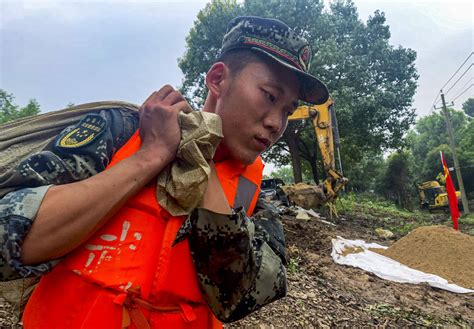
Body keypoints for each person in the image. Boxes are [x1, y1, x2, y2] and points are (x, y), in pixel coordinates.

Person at [0, 16, 328, 328]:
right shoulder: (122, 131)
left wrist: (201, 157)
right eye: (269, 96)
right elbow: (7, 238)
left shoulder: (253, 190)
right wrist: (151, 156)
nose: (276, 123)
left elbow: (240, 298)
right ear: (217, 79)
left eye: (287, 110)